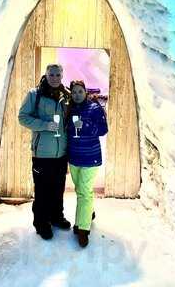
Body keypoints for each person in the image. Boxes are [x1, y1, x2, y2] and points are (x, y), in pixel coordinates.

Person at [18, 64, 71, 240]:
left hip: (61, 154)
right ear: (46, 75)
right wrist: (44, 125)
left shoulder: (66, 96)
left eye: (57, 74)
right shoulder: (35, 94)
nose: (54, 77)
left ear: (62, 75)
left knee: (58, 188)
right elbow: (23, 117)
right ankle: (41, 224)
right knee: (42, 191)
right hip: (42, 154)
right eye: (51, 75)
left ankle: (56, 217)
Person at [67, 80, 108, 247]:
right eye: (74, 92)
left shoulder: (94, 108)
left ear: (85, 92)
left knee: (83, 191)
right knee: (81, 190)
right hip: (74, 156)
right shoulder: (70, 108)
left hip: (90, 157)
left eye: (80, 91)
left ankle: (83, 229)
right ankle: (88, 212)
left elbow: (103, 129)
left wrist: (86, 125)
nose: (77, 95)